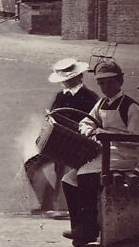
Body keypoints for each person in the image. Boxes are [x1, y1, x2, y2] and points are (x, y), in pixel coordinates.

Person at [67, 60, 139, 247]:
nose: (105, 87)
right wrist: (89, 129)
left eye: (110, 82)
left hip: (125, 157)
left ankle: (90, 229)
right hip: (107, 153)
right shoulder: (102, 103)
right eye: (101, 83)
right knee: (69, 179)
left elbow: (135, 140)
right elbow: (88, 121)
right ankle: (80, 227)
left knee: (84, 175)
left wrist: (106, 135)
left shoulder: (130, 108)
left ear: (120, 81)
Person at [26, 59, 98, 214]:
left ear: (80, 77)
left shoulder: (90, 98)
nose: (66, 82)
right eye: (65, 79)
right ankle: (47, 203)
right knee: (30, 166)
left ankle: (63, 206)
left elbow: (91, 124)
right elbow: (52, 117)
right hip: (56, 143)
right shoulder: (60, 96)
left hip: (77, 147)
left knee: (63, 167)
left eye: (70, 78)